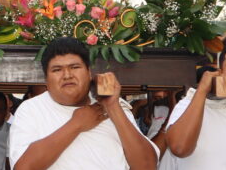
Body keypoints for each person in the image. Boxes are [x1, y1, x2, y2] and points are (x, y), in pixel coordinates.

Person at [9, 37, 158, 169]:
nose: (67, 75)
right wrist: (76, 124)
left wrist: (113, 107)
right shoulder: (31, 109)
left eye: (75, 67)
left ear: (89, 73)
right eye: (57, 70)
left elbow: (147, 166)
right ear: (46, 80)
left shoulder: (114, 106)